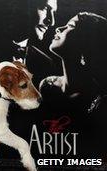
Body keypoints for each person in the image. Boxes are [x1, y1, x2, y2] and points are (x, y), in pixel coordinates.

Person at [40, 12, 107, 160]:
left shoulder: (101, 103)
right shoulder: (47, 86)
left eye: (70, 26)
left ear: (85, 42)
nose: (59, 28)